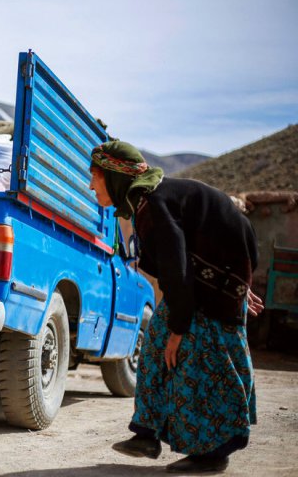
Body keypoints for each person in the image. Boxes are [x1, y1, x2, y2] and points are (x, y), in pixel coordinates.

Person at [88, 141, 262, 474]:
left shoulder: (153, 205)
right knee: (155, 345)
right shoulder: (143, 204)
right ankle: (146, 434)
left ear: (114, 176)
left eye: (95, 177)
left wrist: (180, 329)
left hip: (215, 280)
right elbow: (174, 267)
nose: (91, 186)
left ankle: (215, 451)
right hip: (210, 277)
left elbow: (177, 267)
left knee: (206, 357)